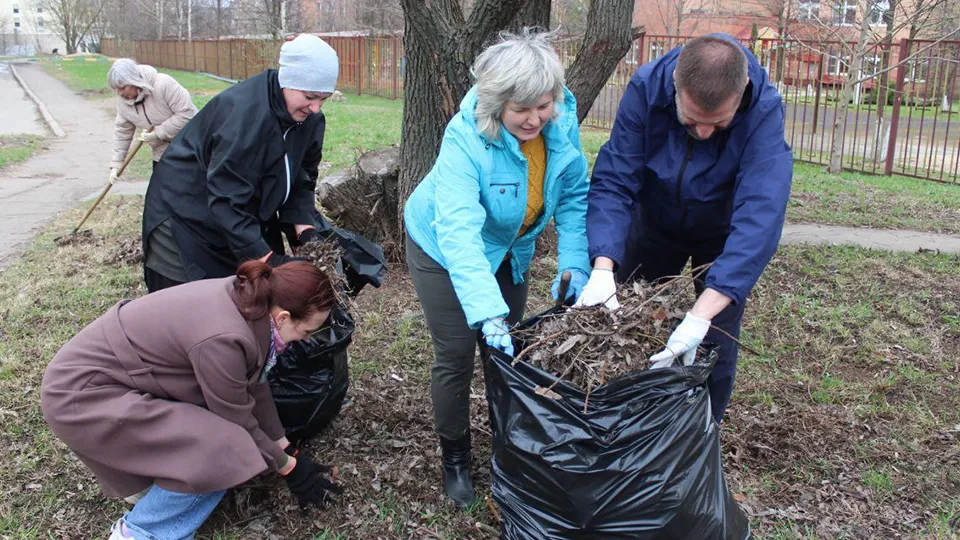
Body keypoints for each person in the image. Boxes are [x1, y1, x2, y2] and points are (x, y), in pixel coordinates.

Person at [403, 29, 591, 507]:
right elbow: (459, 231)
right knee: (458, 352)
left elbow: (574, 196)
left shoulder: (561, 123)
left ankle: (510, 443)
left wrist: (575, 265)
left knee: (506, 353)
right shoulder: (466, 137)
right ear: (495, 103)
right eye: (520, 109)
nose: (534, 119)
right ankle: (456, 458)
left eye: (543, 106)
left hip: (510, 247)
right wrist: (486, 311)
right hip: (444, 249)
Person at [41, 260, 343, 540]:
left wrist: (285, 447)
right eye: (306, 331)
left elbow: (254, 383)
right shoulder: (224, 337)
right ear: (284, 316)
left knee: (222, 449)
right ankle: (140, 532)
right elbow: (238, 421)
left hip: (114, 385)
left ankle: (158, 488)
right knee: (226, 448)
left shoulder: (251, 302)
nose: (306, 339)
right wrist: (289, 468)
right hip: (82, 397)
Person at [576, 34, 792, 424]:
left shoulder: (763, 108)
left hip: (721, 234)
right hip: (654, 222)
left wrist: (701, 315)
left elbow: (761, 215)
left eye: (719, 123)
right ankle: (622, 423)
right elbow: (615, 179)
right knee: (626, 322)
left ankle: (701, 433)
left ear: (743, 89)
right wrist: (603, 267)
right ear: (676, 82)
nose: (704, 133)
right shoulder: (647, 88)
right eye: (691, 120)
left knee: (713, 342)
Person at [141, 34, 338, 293]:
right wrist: (266, 258)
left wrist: (304, 229)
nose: (316, 108)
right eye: (310, 96)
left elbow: (301, 178)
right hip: (186, 216)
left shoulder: (309, 121)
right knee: (198, 301)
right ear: (287, 81)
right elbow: (226, 199)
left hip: (240, 212)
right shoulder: (244, 119)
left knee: (255, 294)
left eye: (324, 98)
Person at [107, 58, 198, 178]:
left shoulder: (164, 84)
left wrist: (157, 133)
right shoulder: (123, 102)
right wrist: (116, 164)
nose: (120, 93)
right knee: (159, 189)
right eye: (117, 89)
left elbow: (186, 114)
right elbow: (122, 132)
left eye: (123, 87)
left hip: (191, 147)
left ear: (133, 80)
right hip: (161, 153)